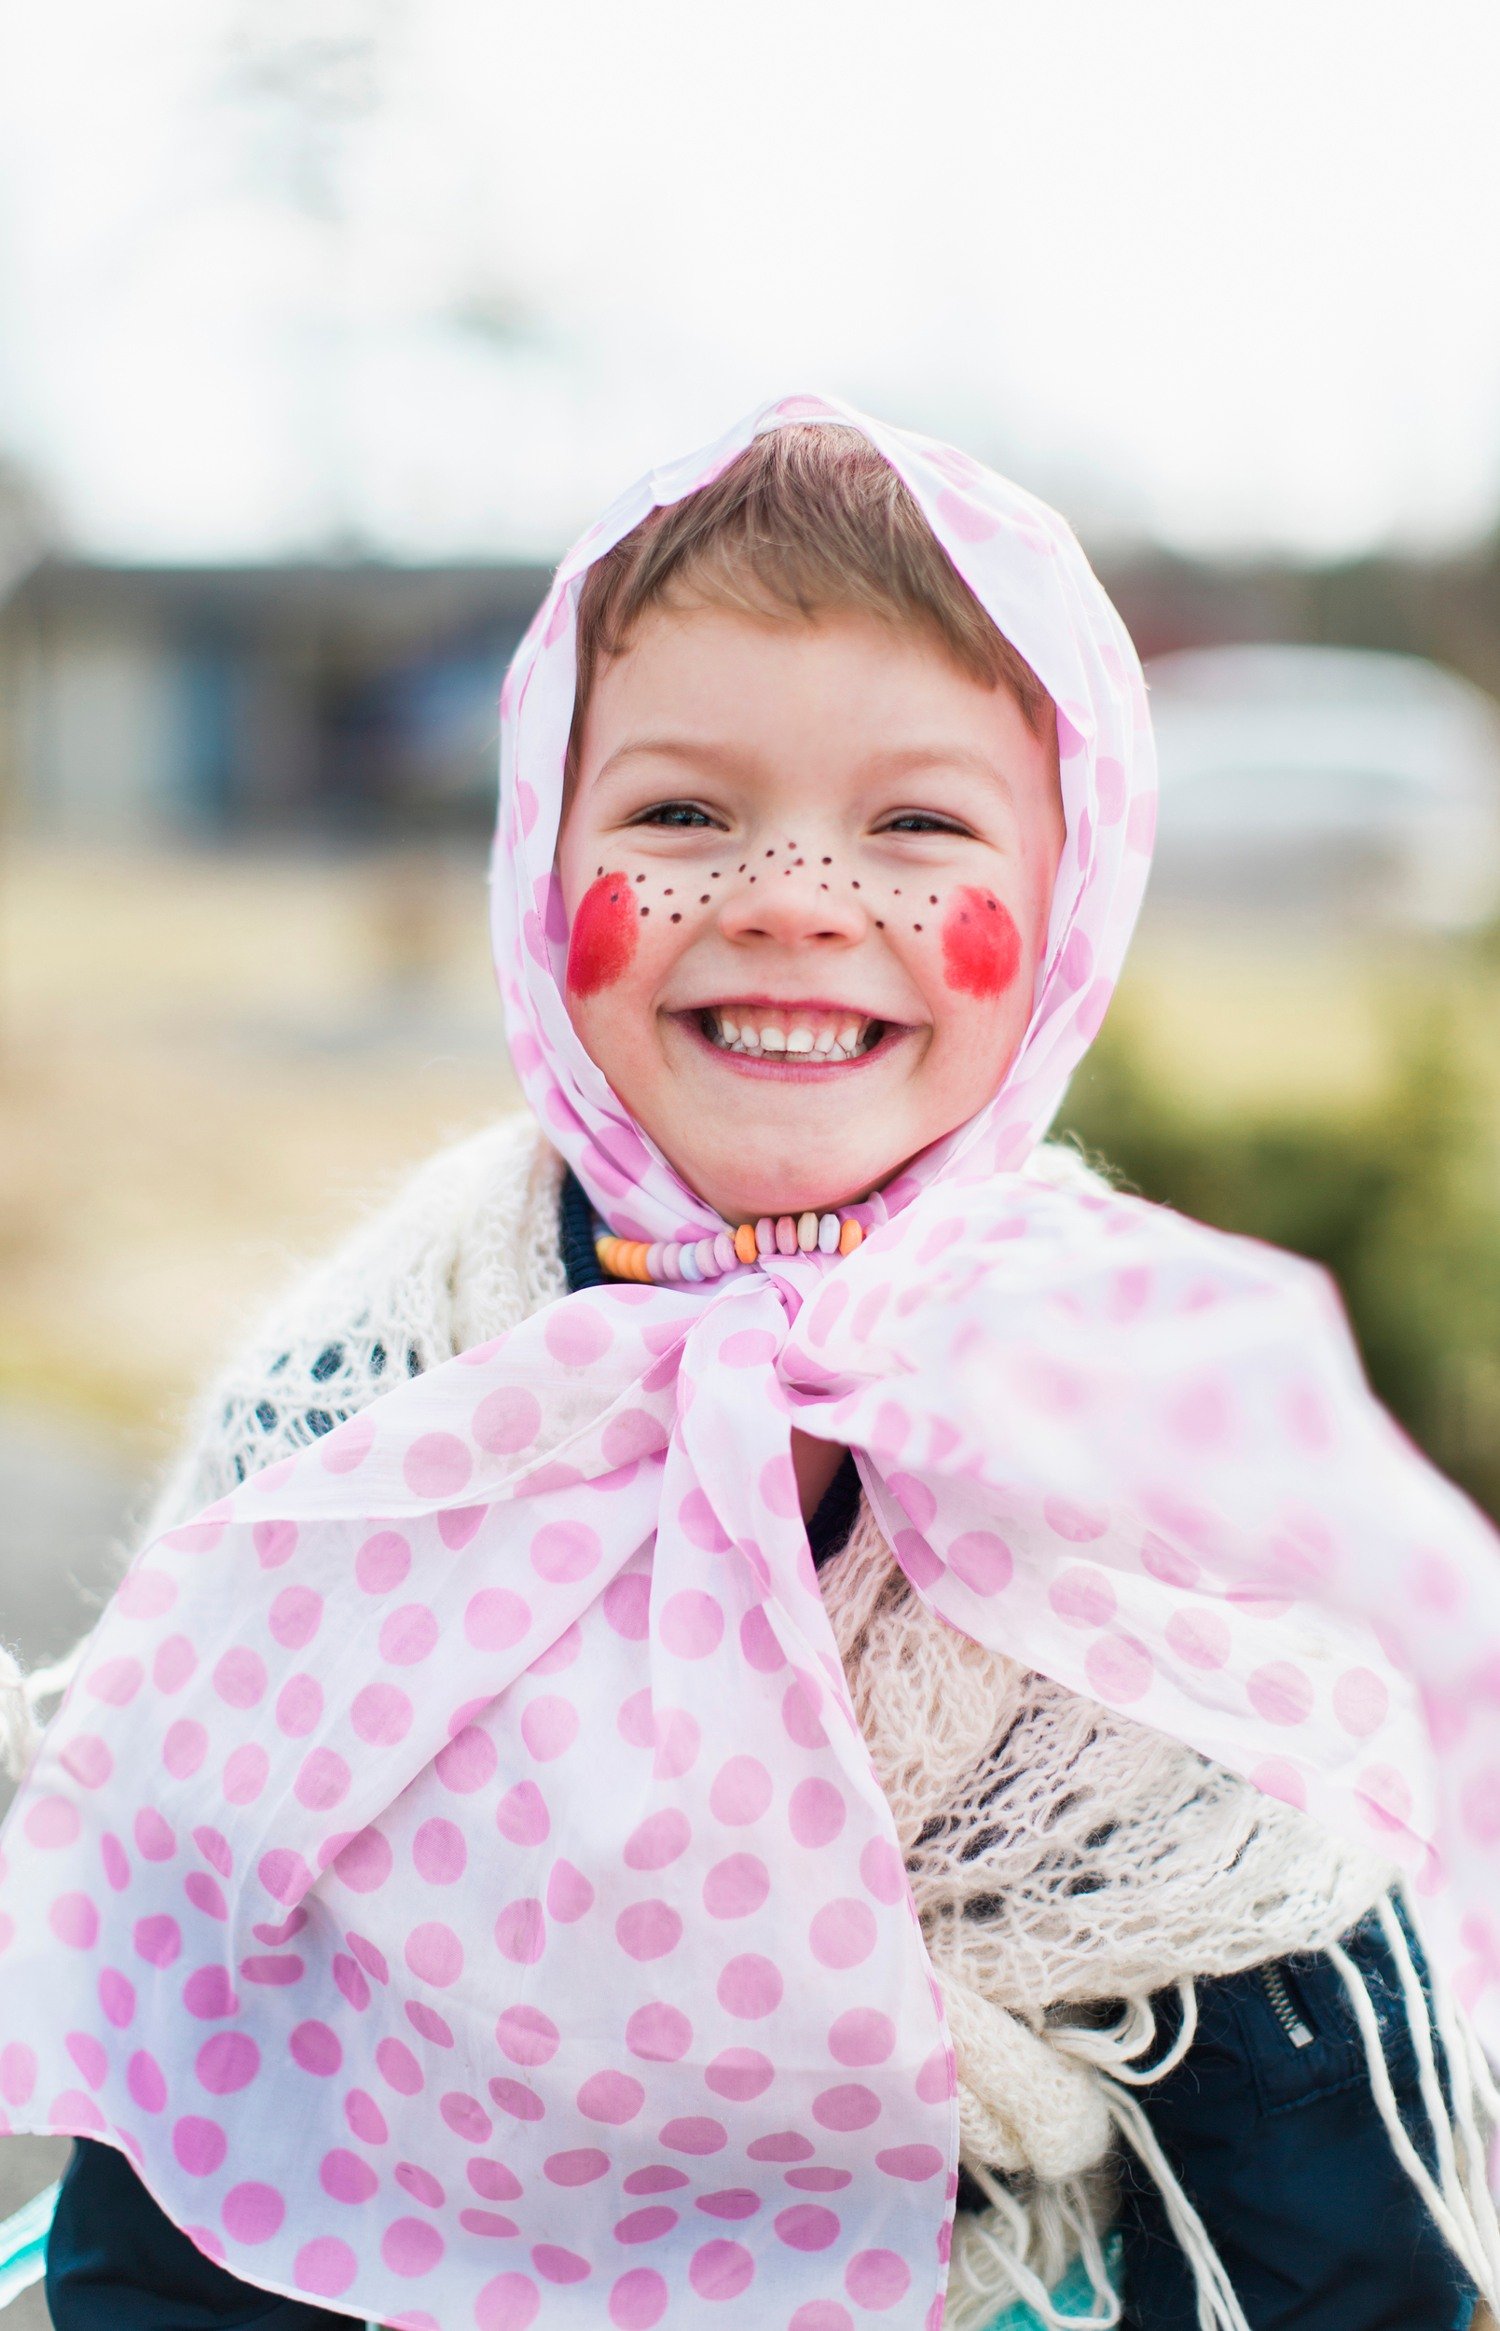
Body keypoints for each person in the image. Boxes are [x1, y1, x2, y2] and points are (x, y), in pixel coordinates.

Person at [2, 399, 1497, 2331]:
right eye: (683, 814)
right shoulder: (372, 1390)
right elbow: (212, 2009)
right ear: (544, 868)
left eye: (918, 825)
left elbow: (1318, 2122)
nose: (792, 894)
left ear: (1065, 911)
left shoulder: (1128, 1408)